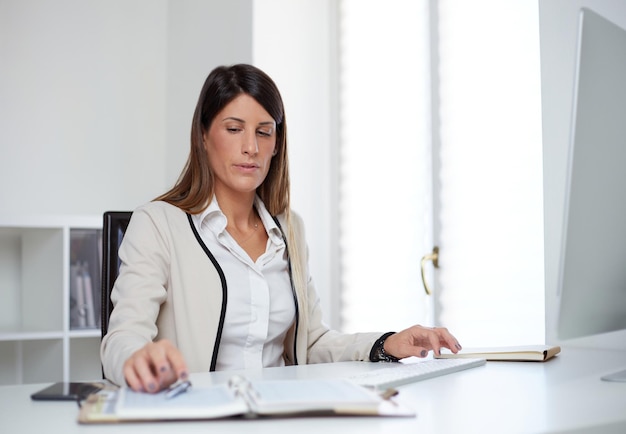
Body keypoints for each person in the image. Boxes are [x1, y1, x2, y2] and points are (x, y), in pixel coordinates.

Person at [100, 63, 462, 392]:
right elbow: (123, 337)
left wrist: (385, 344)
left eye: (264, 132)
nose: (250, 147)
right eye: (234, 129)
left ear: (276, 144)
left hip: (281, 413)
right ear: (204, 136)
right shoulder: (157, 223)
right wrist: (135, 359)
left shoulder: (289, 229)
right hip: (197, 416)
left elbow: (311, 343)